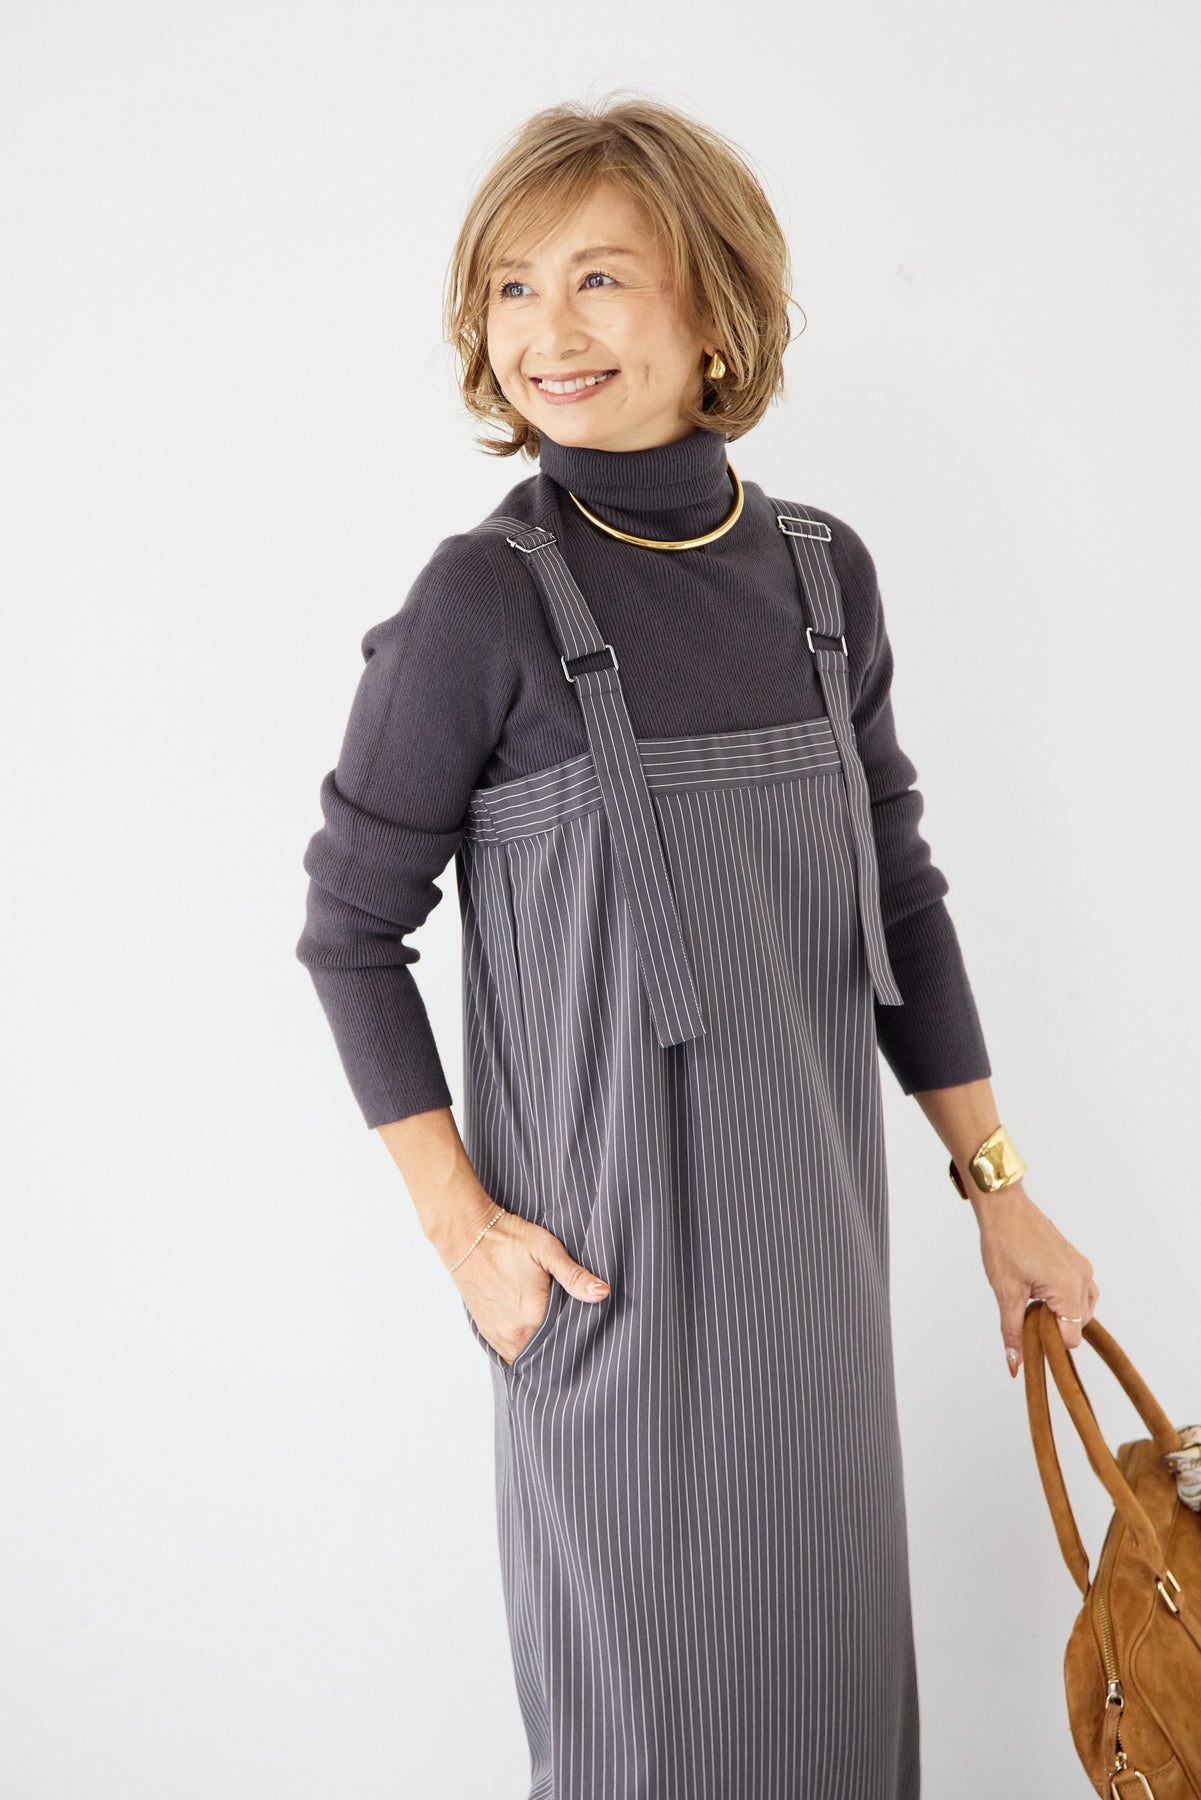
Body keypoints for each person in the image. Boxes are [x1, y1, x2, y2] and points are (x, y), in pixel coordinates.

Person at [296, 95, 1098, 1800]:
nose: (547, 331)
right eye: (512, 287)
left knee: (834, 1736)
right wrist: (464, 1234)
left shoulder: (820, 578)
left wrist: (998, 1190)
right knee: (651, 1746)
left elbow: (898, 894)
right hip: (606, 1296)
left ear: (714, 304)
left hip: (821, 1278)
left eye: (598, 278)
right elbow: (349, 930)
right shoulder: (478, 603)